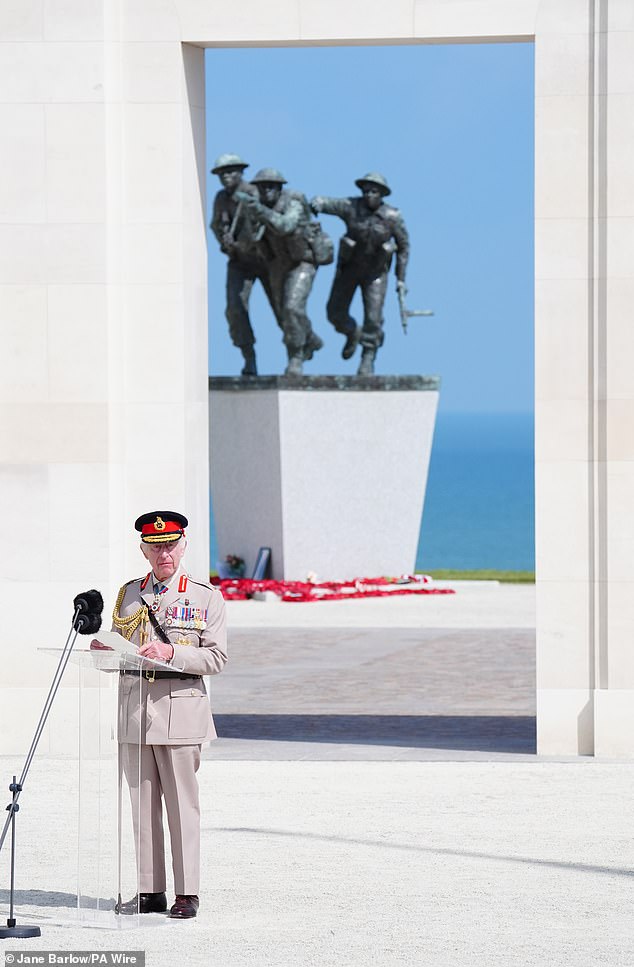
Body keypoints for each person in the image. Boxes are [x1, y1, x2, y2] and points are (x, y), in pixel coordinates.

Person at [113, 511, 227, 920]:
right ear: (143, 550)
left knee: (182, 806)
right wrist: (107, 650)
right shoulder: (129, 594)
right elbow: (123, 643)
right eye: (155, 546)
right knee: (141, 806)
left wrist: (171, 652)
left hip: (180, 713)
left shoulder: (204, 596)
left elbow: (216, 657)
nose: (164, 552)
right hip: (136, 713)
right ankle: (149, 890)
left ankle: (187, 892)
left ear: (183, 547)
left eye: (171, 544)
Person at [311, 172, 410, 375]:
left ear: (382, 194)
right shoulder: (351, 206)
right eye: (365, 190)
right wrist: (318, 203)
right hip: (349, 268)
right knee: (334, 312)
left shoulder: (392, 217)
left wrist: (400, 279)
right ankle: (351, 332)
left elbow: (404, 247)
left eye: (374, 191)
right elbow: (328, 203)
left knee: (373, 319)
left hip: (375, 273)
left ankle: (368, 357)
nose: (369, 195)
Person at [237, 168, 324, 376]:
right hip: (276, 263)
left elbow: (286, 226)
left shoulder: (293, 201)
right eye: (262, 186)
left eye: (271, 186)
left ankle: (295, 358)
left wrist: (259, 211)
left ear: (279, 187)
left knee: (292, 308)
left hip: (301, 261)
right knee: (282, 317)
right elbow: (249, 241)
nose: (267, 190)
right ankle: (309, 338)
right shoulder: (254, 206)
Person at [210, 153, 273, 377]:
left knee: (282, 309)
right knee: (235, 309)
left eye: (230, 172)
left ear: (241, 172)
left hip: (266, 260)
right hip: (240, 261)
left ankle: (300, 349)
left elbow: (269, 221)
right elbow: (215, 225)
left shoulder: (254, 193)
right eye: (221, 174)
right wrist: (224, 242)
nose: (225, 177)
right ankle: (249, 356)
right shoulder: (220, 198)